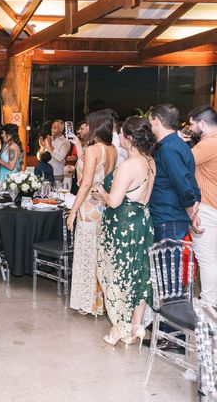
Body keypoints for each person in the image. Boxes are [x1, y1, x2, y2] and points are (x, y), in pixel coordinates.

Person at [96, 116, 157, 346]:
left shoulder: (128, 166)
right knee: (139, 274)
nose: (118, 137)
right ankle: (136, 326)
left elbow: (113, 201)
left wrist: (101, 190)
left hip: (123, 228)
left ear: (129, 139)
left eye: (121, 134)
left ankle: (119, 327)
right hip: (142, 223)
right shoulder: (150, 161)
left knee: (120, 276)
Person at [66, 110, 117, 316]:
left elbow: (86, 184)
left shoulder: (94, 150)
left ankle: (86, 303)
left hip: (88, 206)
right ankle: (99, 303)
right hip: (103, 205)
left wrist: (72, 212)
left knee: (86, 254)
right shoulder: (111, 149)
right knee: (99, 255)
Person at [149, 104, 201, 242]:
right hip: (171, 215)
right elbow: (190, 178)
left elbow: (182, 182)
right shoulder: (178, 144)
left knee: (166, 262)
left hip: (168, 216)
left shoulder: (168, 148)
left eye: (150, 121)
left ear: (157, 121)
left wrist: (191, 210)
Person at [187, 106, 216, 305]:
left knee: (206, 257)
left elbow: (182, 163)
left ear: (203, 124)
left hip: (207, 206)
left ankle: (208, 302)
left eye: (191, 124)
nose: (189, 128)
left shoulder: (208, 144)